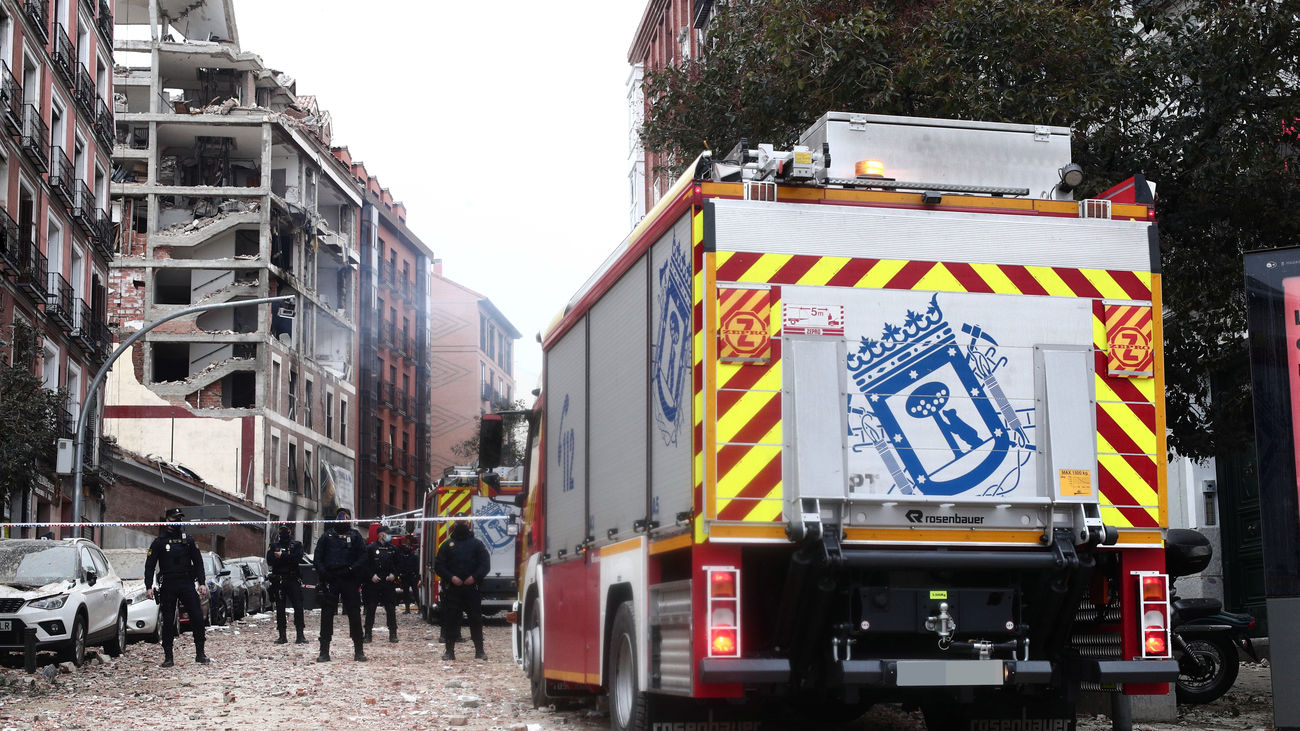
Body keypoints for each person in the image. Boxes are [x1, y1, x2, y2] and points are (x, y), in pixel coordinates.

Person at [144, 507, 210, 668]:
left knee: (197, 616)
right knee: (168, 620)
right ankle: (168, 657)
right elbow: (150, 565)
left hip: (186, 582)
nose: (178, 521)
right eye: (175, 518)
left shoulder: (188, 540)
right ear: (167, 520)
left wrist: (202, 583)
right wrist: (148, 586)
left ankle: (200, 653)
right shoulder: (159, 542)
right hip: (168, 583)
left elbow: (198, 563)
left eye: (180, 518)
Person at [312, 507, 368, 662]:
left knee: (354, 614)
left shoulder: (355, 536)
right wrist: (324, 573)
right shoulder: (327, 535)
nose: (343, 518)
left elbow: (363, 557)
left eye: (346, 516)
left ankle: (359, 650)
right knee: (326, 615)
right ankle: (324, 651)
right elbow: (318, 557)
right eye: (341, 516)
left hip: (349, 578)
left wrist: (352, 570)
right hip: (331, 579)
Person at [433, 520, 490, 661]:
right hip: (452, 589)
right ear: (454, 525)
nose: (460, 526)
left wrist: (474, 577)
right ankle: (449, 651)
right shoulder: (447, 545)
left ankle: (479, 651)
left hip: (472, 588)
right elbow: (439, 566)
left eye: (462, 523)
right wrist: (451, 577)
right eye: (458, 523)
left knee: (476, 620)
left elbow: (485, 565)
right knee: (450, 620)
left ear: (468, 525)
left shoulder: (477, 544)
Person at [266, 522, 306, 645]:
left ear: (290, 531)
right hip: (279, 581)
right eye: (281, 530)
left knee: (298, 607)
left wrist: (282, 556)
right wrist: (287, 556)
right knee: (280, 608)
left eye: (286, 530)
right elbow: (270, 560)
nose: (283, 532)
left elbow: (297, 558)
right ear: (279, 532)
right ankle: (282, 636)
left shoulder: (296, 545)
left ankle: (300, 635)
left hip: (293, 579)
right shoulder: (274, 546)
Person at [363, 526, 400, 643]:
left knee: (390, 609)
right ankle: (368, 634)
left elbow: (399, 565)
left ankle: (393, 633)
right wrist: (371, 575)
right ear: (380, 534)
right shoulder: (370, 548)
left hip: (388, 583)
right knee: (371, 609)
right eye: (386, 533)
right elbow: (365, 564)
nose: (389, 536)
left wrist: (394, 575)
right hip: (374, 583)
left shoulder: (393, 549)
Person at [397, 535, 419, 613]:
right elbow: (400, 565)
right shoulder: (402, 555)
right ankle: (407, 609)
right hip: (405, 576)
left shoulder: (414, 556)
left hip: (412, 576)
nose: (406, 547)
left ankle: (419, 608)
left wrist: (416, 575)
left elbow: (416, 567)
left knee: (415, 592)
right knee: (406, 593)